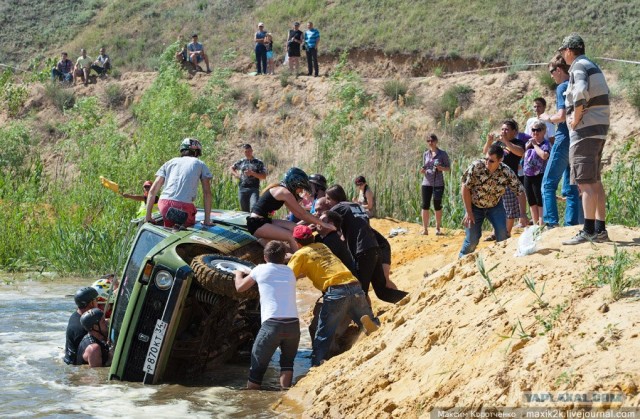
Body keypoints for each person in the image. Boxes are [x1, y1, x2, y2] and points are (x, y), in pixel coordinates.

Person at [288, 225, 378, 366]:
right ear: (312, 237)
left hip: (336, 292)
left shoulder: (300, 254)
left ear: (297, 243)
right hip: (354, 285)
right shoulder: (323, 246)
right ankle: (372, 326)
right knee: (365, 320)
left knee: (323, 333)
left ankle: (317, 364)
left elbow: (288, 275)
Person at [558, 34, 611, 245]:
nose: (563, 55)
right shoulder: (591, 64)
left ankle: (588, 230)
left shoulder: (579, 66)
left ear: (570, 51)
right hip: (597, 129)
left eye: (563, 51)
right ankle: (600, 229)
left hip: (585, 131)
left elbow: (580, 91)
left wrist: (575, 118)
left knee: (585, 183)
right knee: (595, 181)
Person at [325, 184, 408, 304]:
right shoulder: (356, 206)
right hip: (374, 248)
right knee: (382, 291)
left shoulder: (339, 207)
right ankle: (410, 299)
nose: (327, 202)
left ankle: (366, 319)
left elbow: (324, 219)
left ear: (336, 198)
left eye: (328, 198)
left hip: (363, 251)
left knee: (359, 292)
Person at [234, 241, 299, 389]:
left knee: (257, 369)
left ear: (264, 257)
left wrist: (238, 273)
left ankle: (252, 403)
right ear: (283, 257)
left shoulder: (259, 269)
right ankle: (284, 394)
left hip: (272, 325)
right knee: (287, 364)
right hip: (293, 325)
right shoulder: (290, 271)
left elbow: (240, 287)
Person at [459, 144, 526, 258]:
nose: (487, 163)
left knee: (502, 235)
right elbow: (465, 187)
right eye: (486, 159)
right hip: (475, 207)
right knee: (472, 240)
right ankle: (459, 263)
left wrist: (523, 214)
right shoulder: (476, 167)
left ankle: (503, 262)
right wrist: (468, 211)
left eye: (491, 161)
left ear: (500, 160)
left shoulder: (506, 171)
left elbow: (520, 191)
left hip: (495, 206)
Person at [540, 53, 583, 228]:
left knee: (547, 184)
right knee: (571, 187)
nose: (551, 76)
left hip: (563, 137)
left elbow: (561, 116)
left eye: (552, 71)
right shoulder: (574, 84)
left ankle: (551, 223)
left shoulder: (561, 88)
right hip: (575, 140)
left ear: (559, 70)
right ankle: (571, 225)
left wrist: (546, 117)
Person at [246, 167, 335, 251]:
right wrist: (323, 224)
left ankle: (265, 241)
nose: (301, 191)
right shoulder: (284, 192)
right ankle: (296, 262)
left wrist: (314, 219)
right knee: (291, 236)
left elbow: (297, 213)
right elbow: (302, 214)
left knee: (295, 228)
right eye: (300, 188)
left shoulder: (283, 190)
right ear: (294, 185)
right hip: (256, 224)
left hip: (264, 221)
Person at [145, 138, 213, 228]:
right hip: (184, 207)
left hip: (164, 204)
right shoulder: (200, 164)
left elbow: (152, 191)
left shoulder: (169, 162)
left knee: (168, 227)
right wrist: (207, 220)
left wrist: (148, 217)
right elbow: (207, 193)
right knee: (187, 227)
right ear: (196, 152)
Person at [482, 119, 528, 238]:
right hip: (495, 178)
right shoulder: (498, 143)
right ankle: (494, 232)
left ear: (514, 131)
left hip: (509, 179)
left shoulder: (518, 142)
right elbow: (486, 153)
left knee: (509, 207)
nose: (503, 131)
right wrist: (489, 142)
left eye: (507, 129)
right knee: (494, 206)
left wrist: (506, 142)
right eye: (502, 129)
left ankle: (506, 233)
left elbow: (520, 153)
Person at [419, 134, 451, 235]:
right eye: (428, 141)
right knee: (425, 205)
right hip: (426, 182)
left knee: (437, 205)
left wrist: (441, 168)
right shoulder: (426, 154)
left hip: (438, 183)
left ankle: (437, 228)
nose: (430, 143)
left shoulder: (442, 154)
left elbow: (448, 167)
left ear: (436, 141)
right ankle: (425, 229)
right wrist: (423, 170)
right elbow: (425, 166)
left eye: (432, 140)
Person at [523, 120, 551, 225]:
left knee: (539, 200)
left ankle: (541, 223)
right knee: (531, 201)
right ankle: (535, 224)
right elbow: (522, 154)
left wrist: (535, 145)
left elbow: (544, 156)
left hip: (539, 175)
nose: (535, 132)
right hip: (527, 175)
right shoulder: (529, 143)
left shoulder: (545, 144)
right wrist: (528, 145)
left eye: (538, 130)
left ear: (544, 131)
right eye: (533, 130)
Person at [64, 287, 98, 365]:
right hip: (76, 364)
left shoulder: (77, 315)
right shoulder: (83, 328)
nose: (98, 303)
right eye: (96, 300)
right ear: (91, 303)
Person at [229, 144, 267, 212]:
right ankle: (246, 222)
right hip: (242, 188)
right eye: (246, 152)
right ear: (243, 152)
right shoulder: (241, 161)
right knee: (244, 211)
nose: (247, 153)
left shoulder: (258, 162)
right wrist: (236, 175)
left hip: (254, 189)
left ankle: (254, 221)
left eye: (249, 151)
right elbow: (231, 168)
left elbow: (264, 176)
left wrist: (252, 173)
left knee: (253, 207)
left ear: (252, 151)